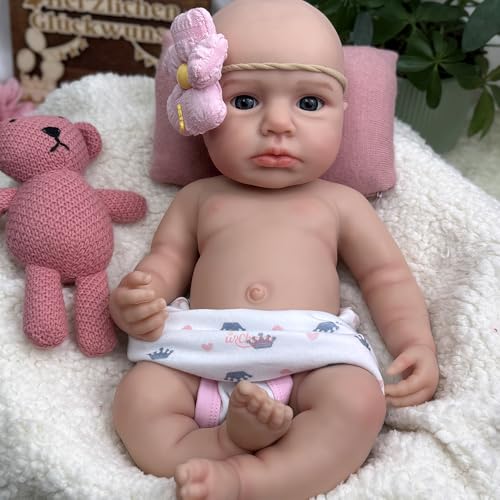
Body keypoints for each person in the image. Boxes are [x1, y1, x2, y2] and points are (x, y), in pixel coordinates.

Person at [110, 1, 440, 498]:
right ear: (204, 112)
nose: (278, 124)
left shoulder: (340, 203)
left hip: (307, 358)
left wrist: (416, 343)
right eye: (245, 101)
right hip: (199, 354)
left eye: (309, 103)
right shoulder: (199, 197)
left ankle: (246, 480)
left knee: (357, 401)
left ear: (344, 114)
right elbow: (167, 259)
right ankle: (225, 442)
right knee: (137, 399)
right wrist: (139, 298)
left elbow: (385, 276)